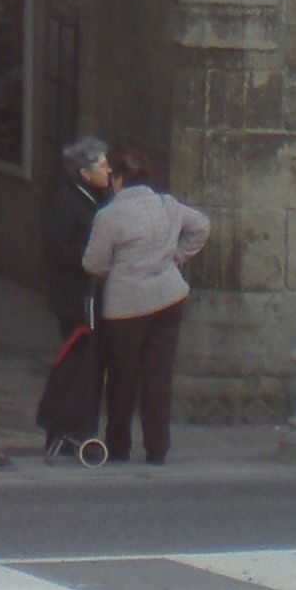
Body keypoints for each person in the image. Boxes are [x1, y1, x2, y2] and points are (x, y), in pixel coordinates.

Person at [83, 143, 208, 466]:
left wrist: (115, 270)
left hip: (126, 305)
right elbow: (201, 226)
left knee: (122, 377)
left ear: (120, 179)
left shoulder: (109, 216)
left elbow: (94, 263)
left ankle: (119, 444)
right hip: (169, 296)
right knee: (158, 376)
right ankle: (157, 447)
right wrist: (179, 255)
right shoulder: (168, 205)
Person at [40, 135, 113, 461]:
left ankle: (76, 425)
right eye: (103, 165)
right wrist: (90, 257)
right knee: (77, 361)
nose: (109, 170)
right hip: (74, 298)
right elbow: (55, 245)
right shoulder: (67, 201)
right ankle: (65, 427)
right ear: (84, 173)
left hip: (91, 296)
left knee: (87, 363)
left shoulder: (96, 198)